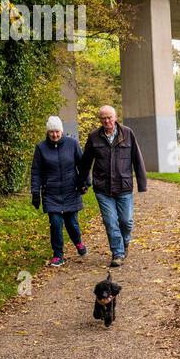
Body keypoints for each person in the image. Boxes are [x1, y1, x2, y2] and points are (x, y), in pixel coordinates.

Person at [79, 105, 147, 268]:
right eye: (103, 118)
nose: (107, 121)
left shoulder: (127, 133)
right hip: (103, 188)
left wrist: (141, 183)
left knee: (126, 221)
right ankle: (117, 253)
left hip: (124, 186)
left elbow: (137, 159)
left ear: (115, 117)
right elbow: (85, 162)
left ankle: (124, 243)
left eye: (109, 117)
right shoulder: (94, 137)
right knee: (110, 221)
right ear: (100, 120)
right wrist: (82, 182)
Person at [30, 116, 87, 267]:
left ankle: (78, 242)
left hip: (70, 189)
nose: (54, 135)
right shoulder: (41, 148)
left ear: (61, 131)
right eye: (51, 132)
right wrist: (35, 193)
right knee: (55, 223)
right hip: (51, 192)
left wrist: (85, 183)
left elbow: (82, 165)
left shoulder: (72, 144)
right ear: (47, 132)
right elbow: (36, 172)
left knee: (72, 223)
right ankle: (58, 255)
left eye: (57, 132)